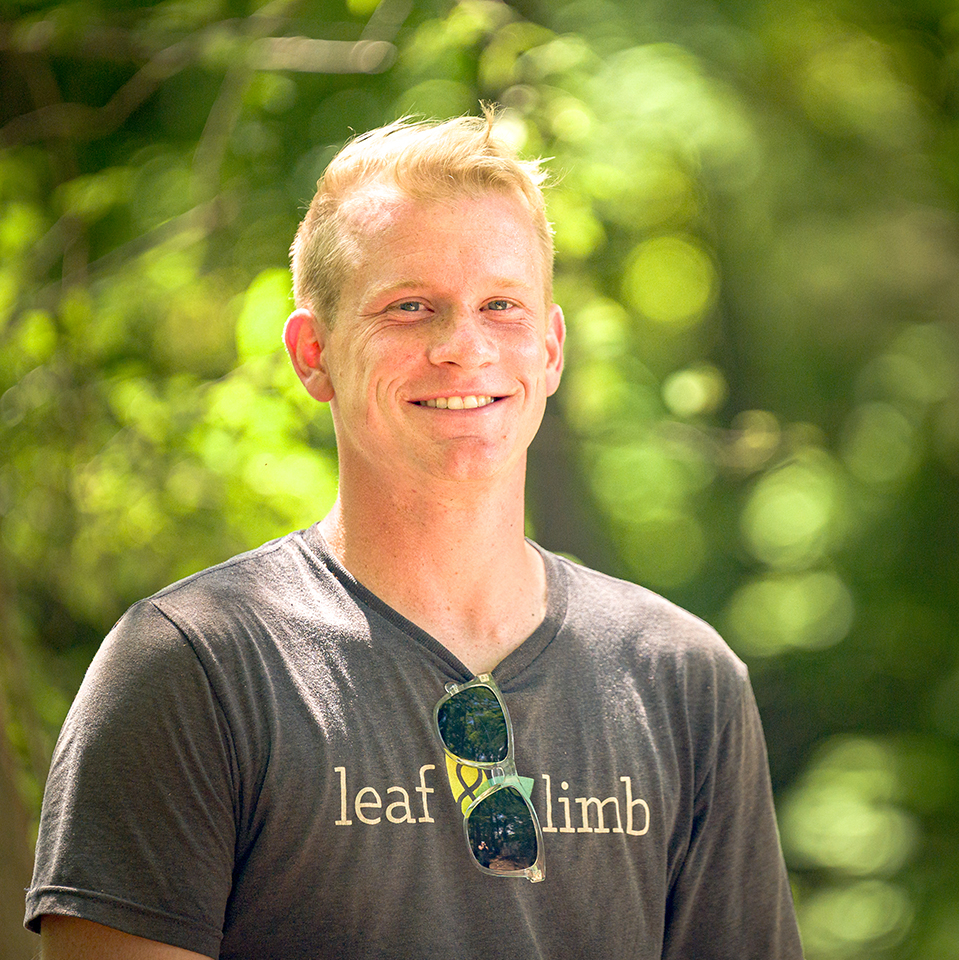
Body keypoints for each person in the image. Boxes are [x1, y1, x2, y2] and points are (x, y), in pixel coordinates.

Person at [25, 107, 805, 959]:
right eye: (408, 307)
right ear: (312, 353)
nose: (463, 348)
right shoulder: (195, 668)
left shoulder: (683, 681)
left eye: (501, 305)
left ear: (550, 349)